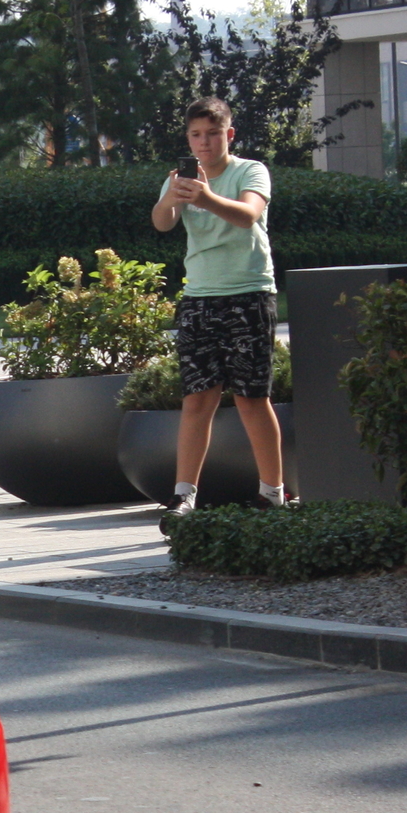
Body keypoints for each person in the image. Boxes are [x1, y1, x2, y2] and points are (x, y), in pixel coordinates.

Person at [150, 95, 287, 510]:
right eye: (196, 135)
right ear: (188, 139)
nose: (204, 143)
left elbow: (248, 215)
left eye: (212, 134)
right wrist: (172, 199)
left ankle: (271, 493)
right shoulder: (181, 177)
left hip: (248, 293)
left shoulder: (250, 170)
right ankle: (183, 496)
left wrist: (206, 198)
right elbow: (161, 223)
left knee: (251, 396)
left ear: (229, 134)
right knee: (197, 398)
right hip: (199, 298)